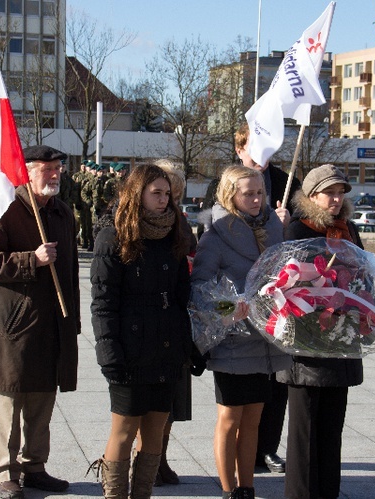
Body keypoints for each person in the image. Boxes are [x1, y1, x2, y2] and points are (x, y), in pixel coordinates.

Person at [0, 145, 81, 499]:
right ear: (28, 173)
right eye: (46, 169)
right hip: (14, 327)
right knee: (10, 400)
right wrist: (29, 260)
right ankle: (5, 472)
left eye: (57, 169)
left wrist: (72, 322)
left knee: (42, 401)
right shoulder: (6, 209)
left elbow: (69, 272)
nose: (54, 175)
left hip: (53, 325)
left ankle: (34, 466)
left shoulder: (64, 213)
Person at [89, 163, 192, 499]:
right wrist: (109, 354)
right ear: (138, 193)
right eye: (156, 193)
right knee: (124, 428)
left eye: (168, 194)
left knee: (155, 428)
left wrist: (189, 346)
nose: (164, 200)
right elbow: (103, 304)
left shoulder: (173, 233)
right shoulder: (113, 237)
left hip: (166, 347)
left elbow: (182, 298)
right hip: (130, 350)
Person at [191, 165, 291, 499]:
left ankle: (247, 486)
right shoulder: (215, 236)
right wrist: (229, 310)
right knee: (230, 418)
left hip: (265, 339)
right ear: (230, 194)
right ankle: (228, 488)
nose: (256, 199)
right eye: (248, 193)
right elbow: (199, 292)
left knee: (253, 420)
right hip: (232, 341)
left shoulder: (274, 229)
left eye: (260, 192)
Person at [279, 164, 363, 499]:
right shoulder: (298, 230)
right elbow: (284, 282)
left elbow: (362, 273)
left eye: (340, 192)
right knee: (306, 430)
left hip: (341, 338)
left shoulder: (349, 229)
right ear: (312, 195)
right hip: (307, 342)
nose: (336, 198)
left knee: (332, 428)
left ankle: (329, 492)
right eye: (329, 192)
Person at [235, 121, 301, 474]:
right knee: (244, 382)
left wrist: (286, 225)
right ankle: (241, 450)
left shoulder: (289, 181)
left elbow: (304, 232)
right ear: (239, 151)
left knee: (277, 379)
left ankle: (268, 447)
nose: (260, 154)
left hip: (279, 298)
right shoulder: (225, 184)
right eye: (252, 147)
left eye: (266, 146)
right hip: (243, 296)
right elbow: (214, 230)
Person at [151, 159, 198, 486]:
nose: (169, 198)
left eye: (175, 192)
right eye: (164, 192)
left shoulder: (180, 222)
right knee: (149, 402)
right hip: (150, 321)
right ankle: (146, 460)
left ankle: (160, 458)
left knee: (170, 401)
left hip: (178, 320)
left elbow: (192, 257)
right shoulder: (135, 222)